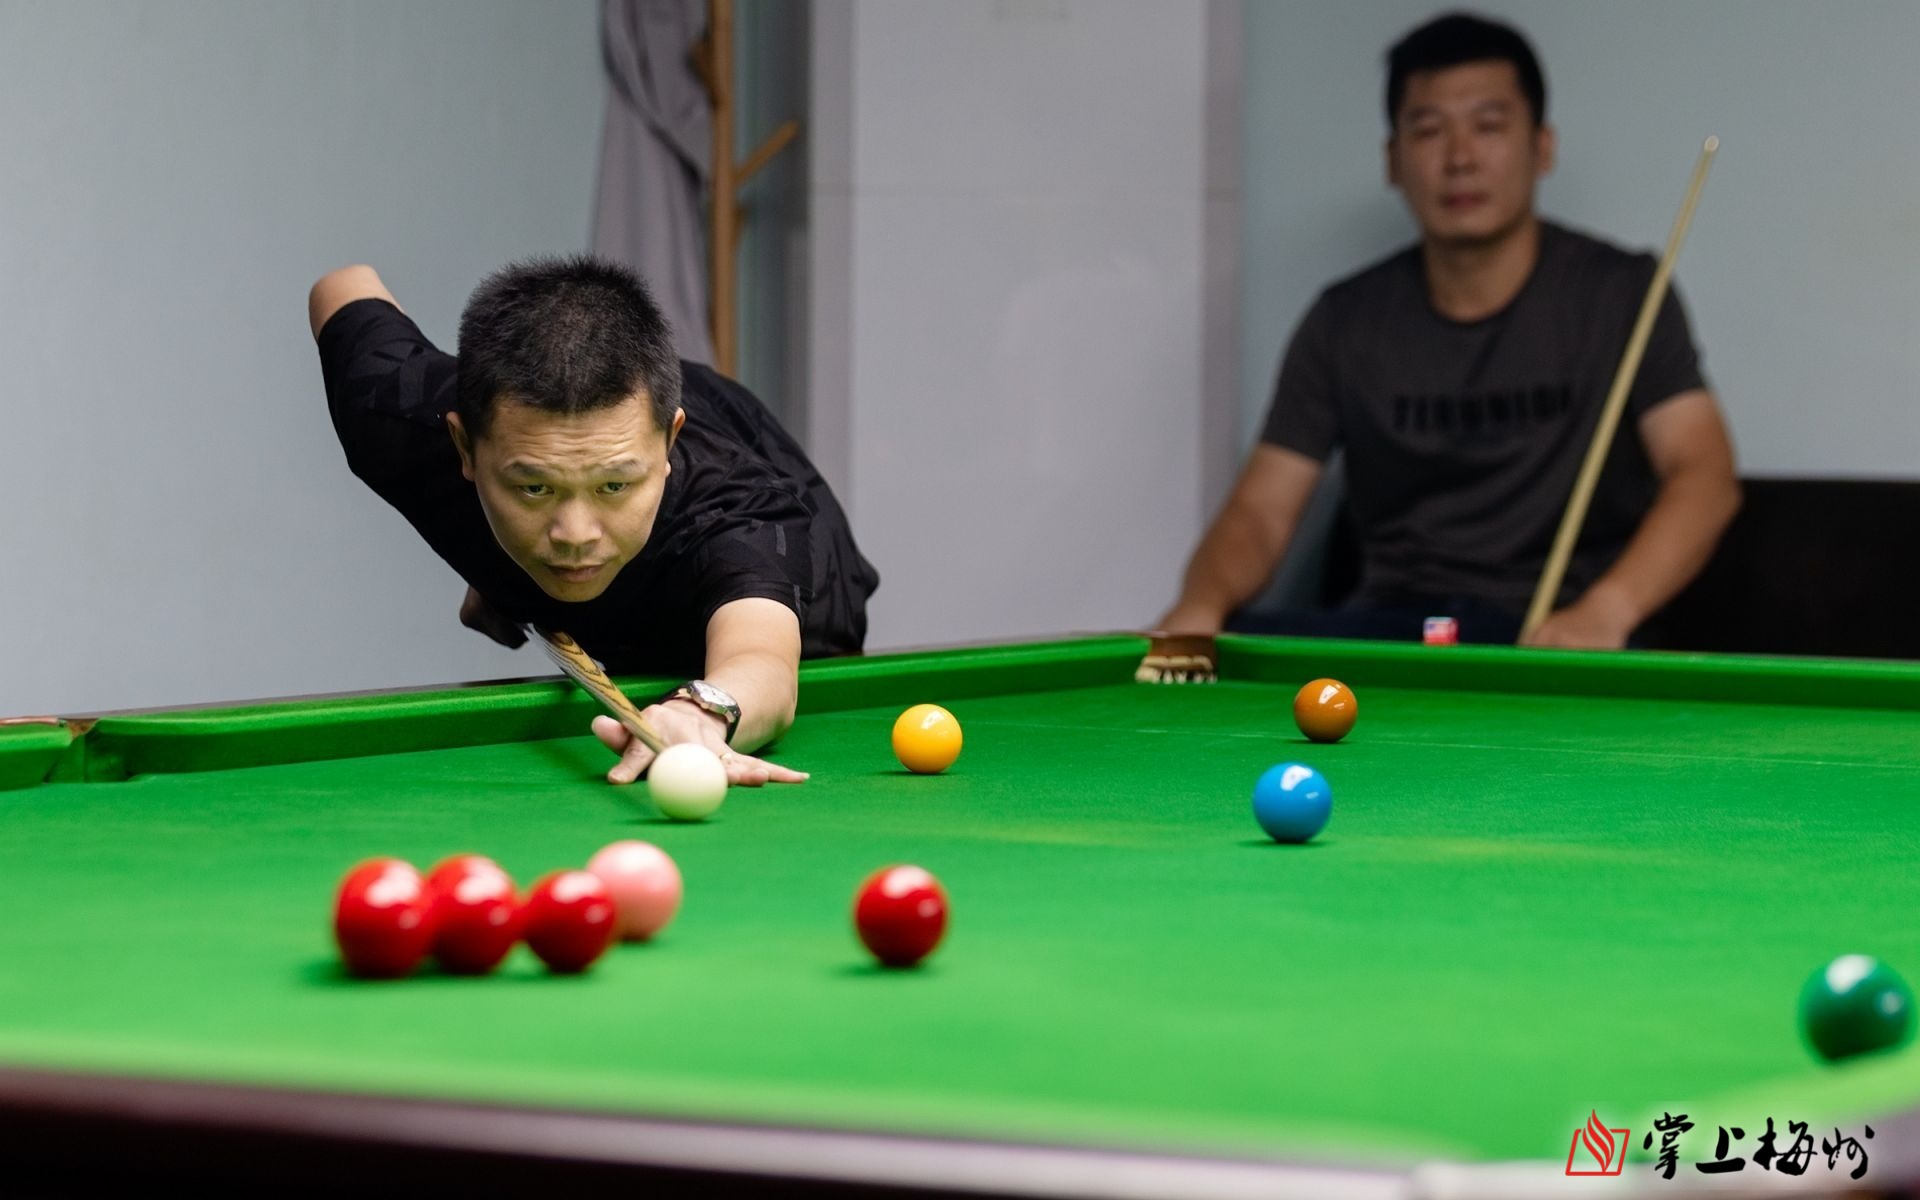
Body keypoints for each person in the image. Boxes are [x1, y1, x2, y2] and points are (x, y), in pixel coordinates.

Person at [1154, 12, 1739, 654]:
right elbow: (1261, 511)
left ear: (1542, 147)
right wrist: (1199, 605)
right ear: (1392, 160)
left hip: (1555, 634)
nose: (1460, 159)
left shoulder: (1622, 293)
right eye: (1429, 131)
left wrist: (1609, 610)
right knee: (1235, 649)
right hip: (1395, 632)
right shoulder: (1343, 320)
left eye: (1489, 126)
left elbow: (1703, 476)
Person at [309, 256, 878, 786]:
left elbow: (761, 660)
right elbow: (342, 285)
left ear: (669, 445)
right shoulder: (396, 413)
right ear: (464, 447)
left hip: (796, 604)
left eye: (614, 486)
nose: (576, 535)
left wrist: (702, 712)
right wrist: (494, 567)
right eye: (534, 488)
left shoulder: (739, 518)